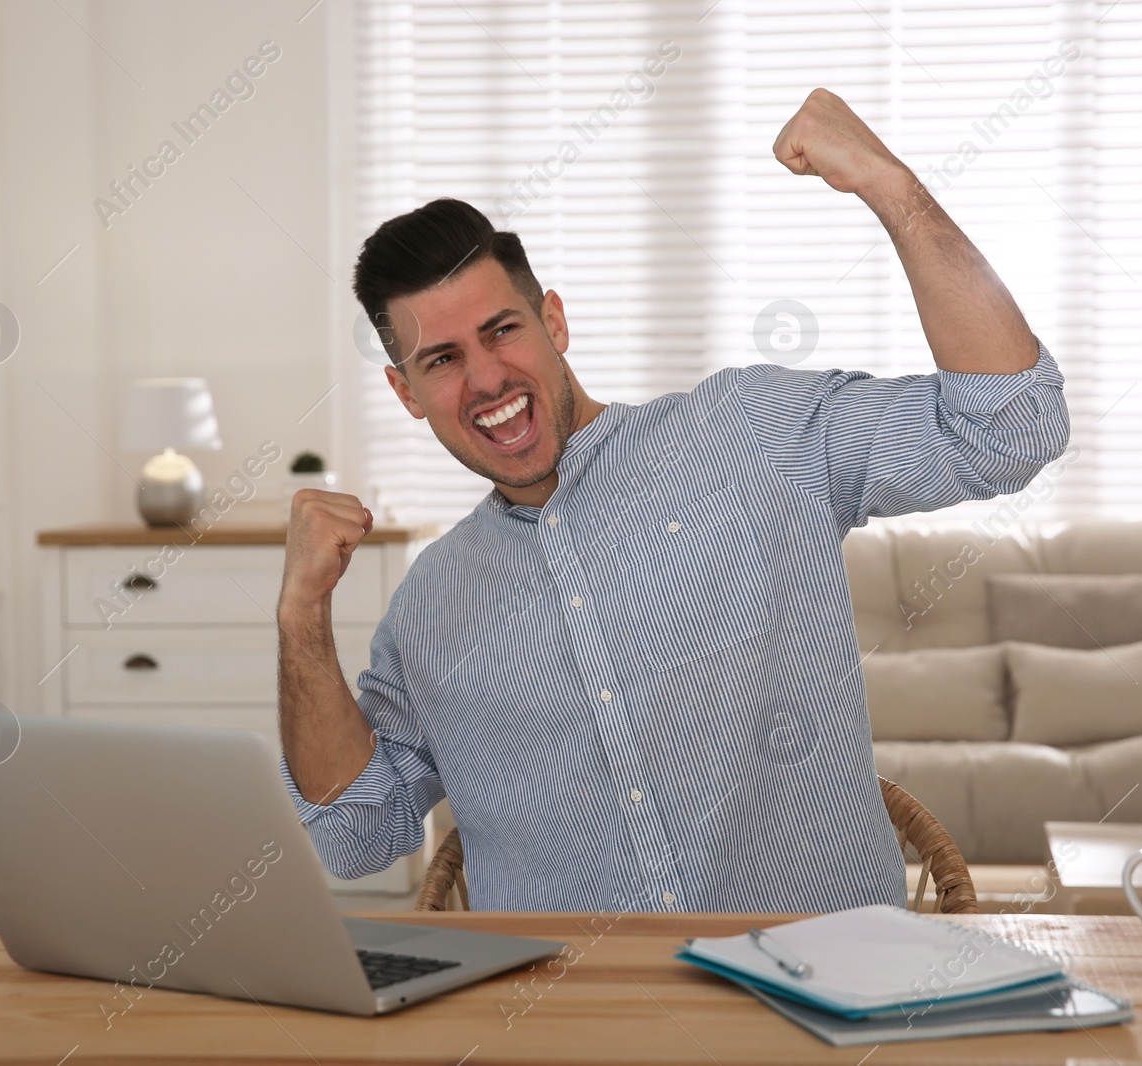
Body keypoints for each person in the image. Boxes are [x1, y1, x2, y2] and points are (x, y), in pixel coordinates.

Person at [277, 87, 1069, 912]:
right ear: (406, 393)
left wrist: (890, 186)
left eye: (502, 330)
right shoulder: (429, 607)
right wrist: (301, 616)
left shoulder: (748, 435)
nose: (484, 380)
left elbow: (1013, 428)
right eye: (440, 360)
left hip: (828, 999)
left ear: (554, 321)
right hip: (568, 1023)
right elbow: (354, 837)